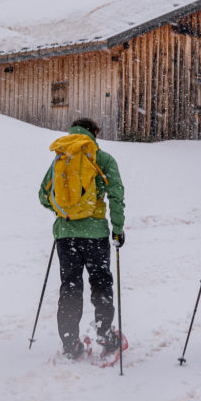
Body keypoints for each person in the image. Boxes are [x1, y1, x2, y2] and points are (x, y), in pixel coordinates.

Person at [39, 118, 125, 359]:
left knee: (70, 286)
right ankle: (105, 334)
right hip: (95, 235)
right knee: (100, 283)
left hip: (66, 236)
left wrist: (64, 212)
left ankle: (69, 343)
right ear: (94, 132)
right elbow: (116, 195)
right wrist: (117, 229)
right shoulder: (102, 159)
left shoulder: (61, 158)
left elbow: (43, 195)